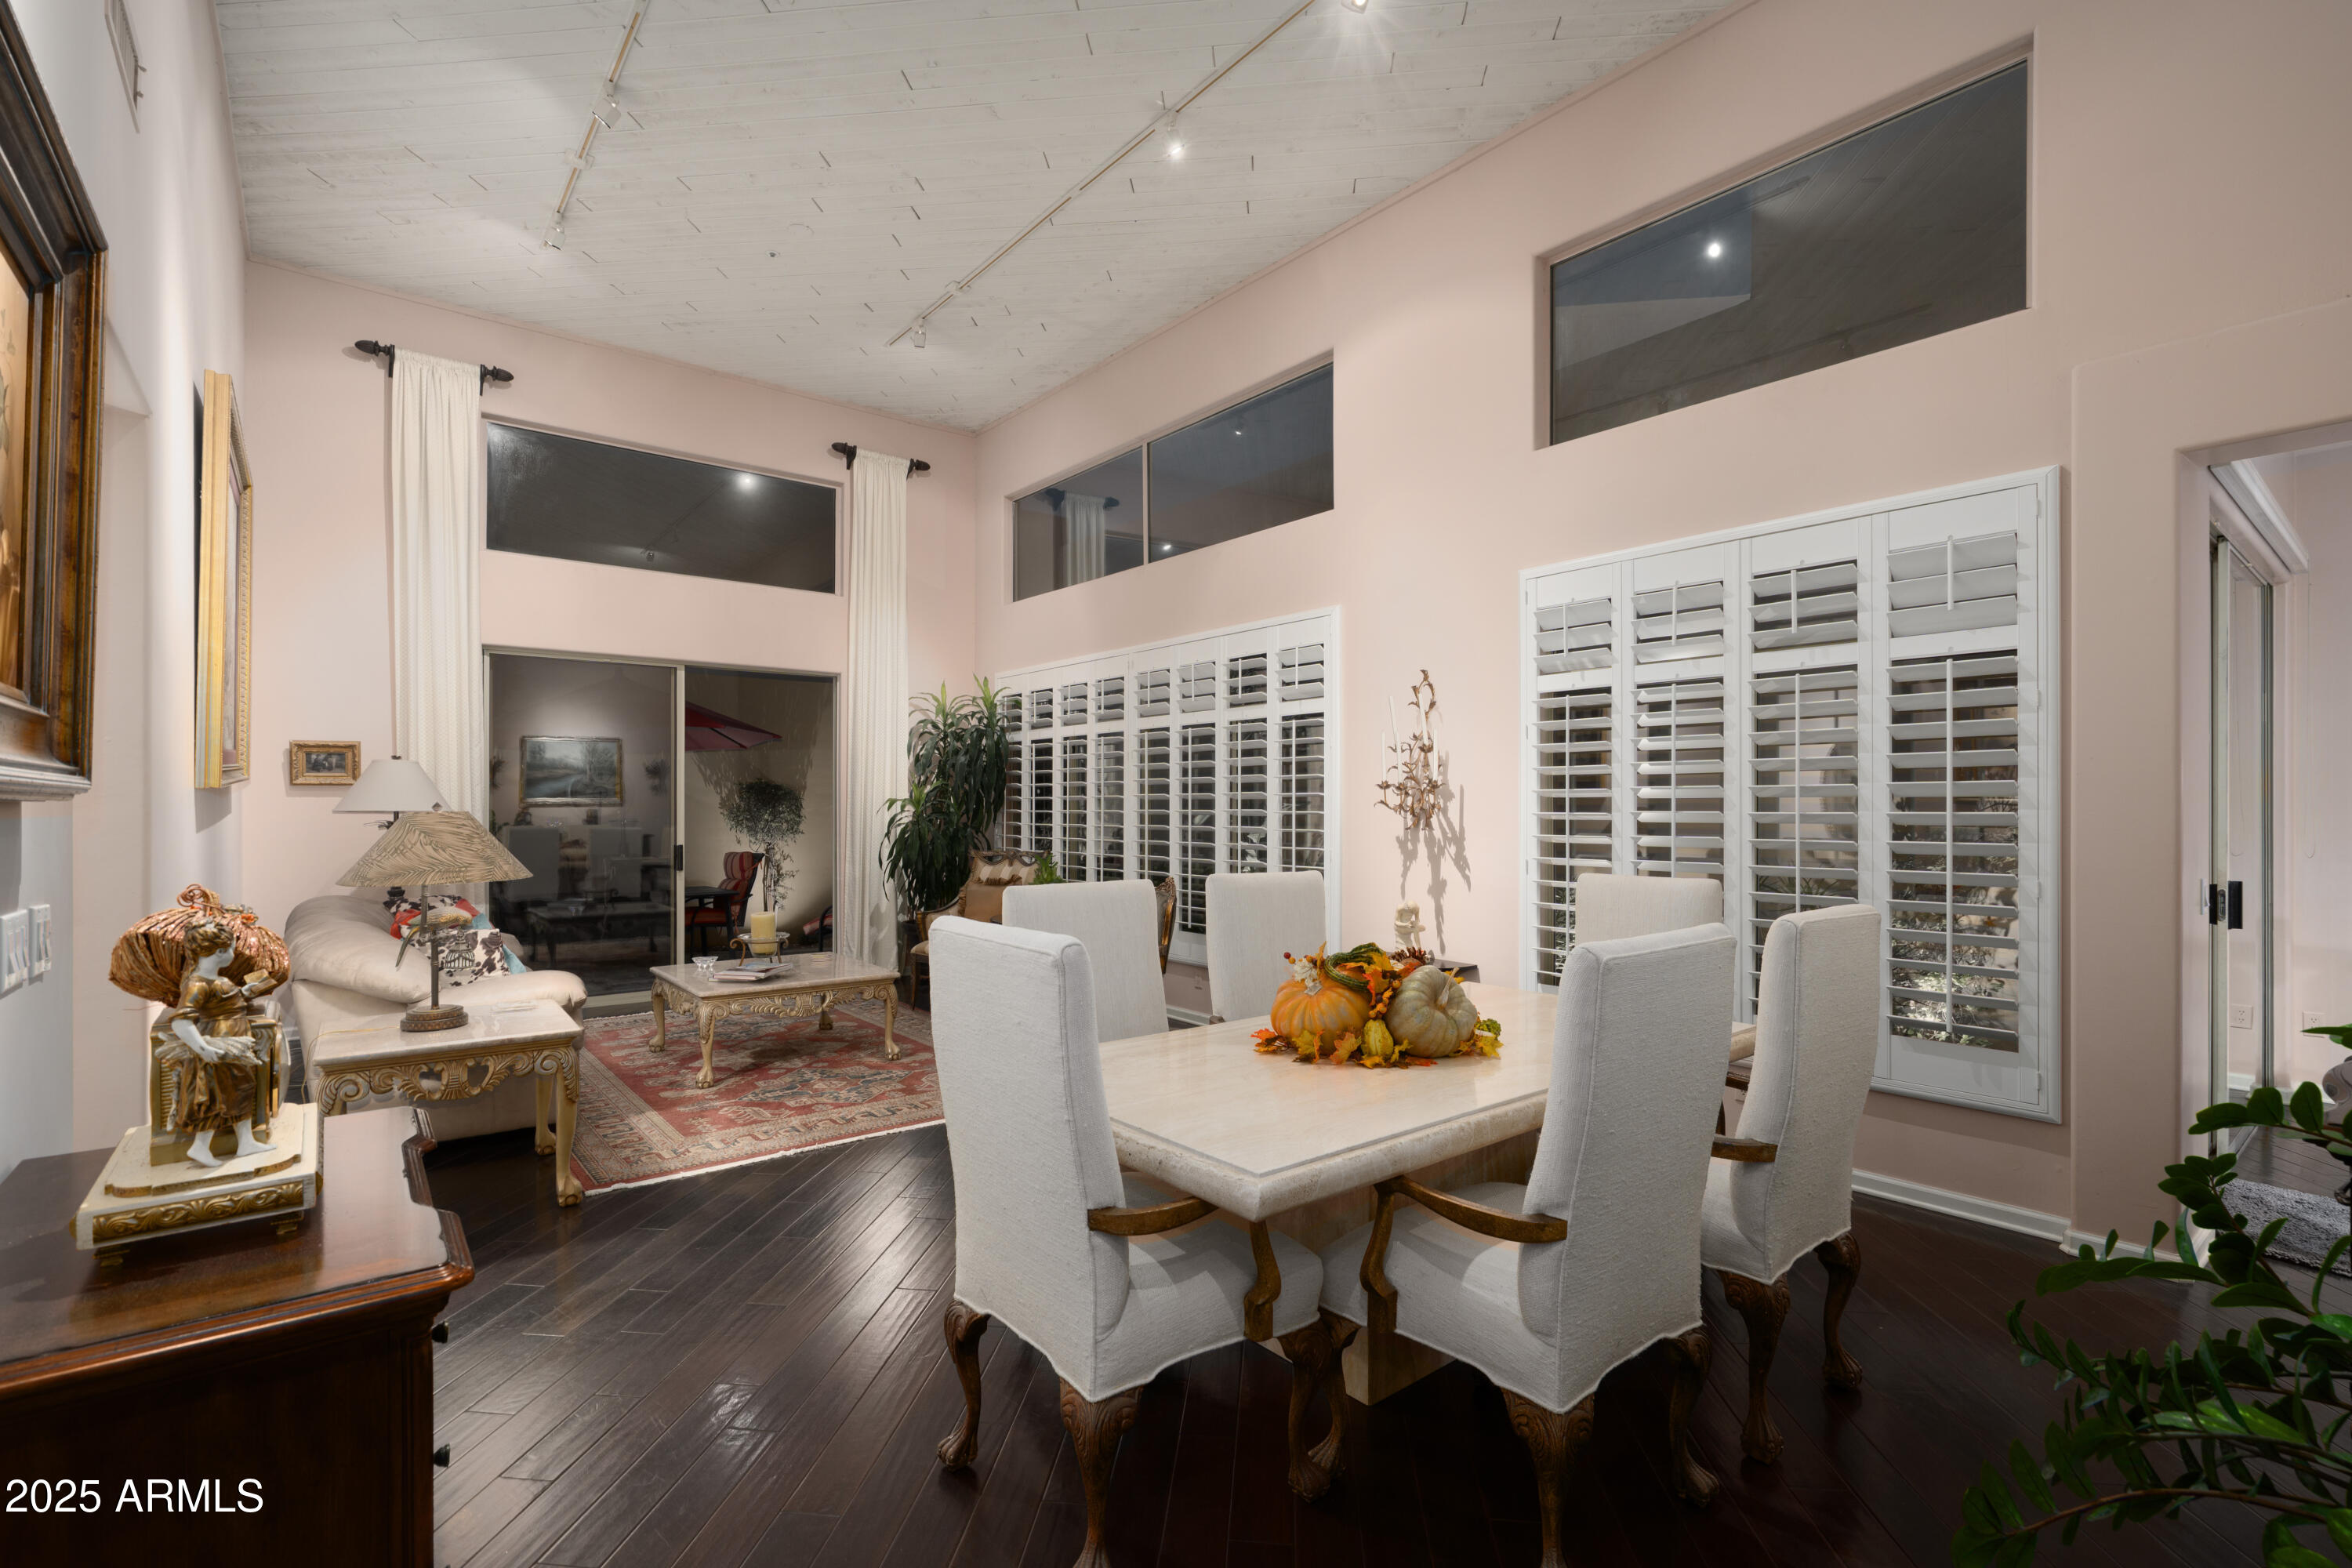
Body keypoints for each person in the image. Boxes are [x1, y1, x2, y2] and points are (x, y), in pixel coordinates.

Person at [153, 914, 283, 1167]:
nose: (234, 954)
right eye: (233, 949)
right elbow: (181, 1021)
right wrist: (203, 1047)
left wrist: (244, 992)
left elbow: (225, 1000)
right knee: (215, 1098)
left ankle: (246, 1143)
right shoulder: (197, 983)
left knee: (241, 1091)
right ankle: (200, 1147)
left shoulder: (218, 980)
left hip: (236, 1043)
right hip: (220, 1044)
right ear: (221, 952)